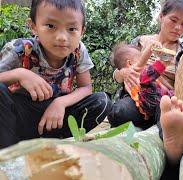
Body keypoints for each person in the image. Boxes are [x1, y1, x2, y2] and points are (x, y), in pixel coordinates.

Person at [108, 0, 183, 169]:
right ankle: (163, 129)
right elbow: (119, 65)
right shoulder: (141, 41)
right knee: (120, 112)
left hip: (165, 99)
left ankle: (173, 142)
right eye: (173, 20)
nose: (178, 28)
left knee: (167, 111)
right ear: (161, 16)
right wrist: (122, 73)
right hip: (137, 98)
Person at [0, 0, 109, 149]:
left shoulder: (78, 51)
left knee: (102, 102)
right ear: (33, 26)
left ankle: (59, 142)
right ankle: (9, 152)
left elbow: (86, 87)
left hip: (56, 117)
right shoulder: (20, 49)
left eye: (72, 29)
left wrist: (61, 103)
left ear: (82, 31)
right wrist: (20, 74)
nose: (62, 37)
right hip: (20, 115)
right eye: (51, 26)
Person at [112, 41, 175, 121]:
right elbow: (145, 63)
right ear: (129, 63)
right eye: (139, 57)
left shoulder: (139, 74)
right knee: (163, 112)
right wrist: (151, 48)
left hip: (148, 105)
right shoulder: (137, 72)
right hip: (155, 102)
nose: (147, 62)